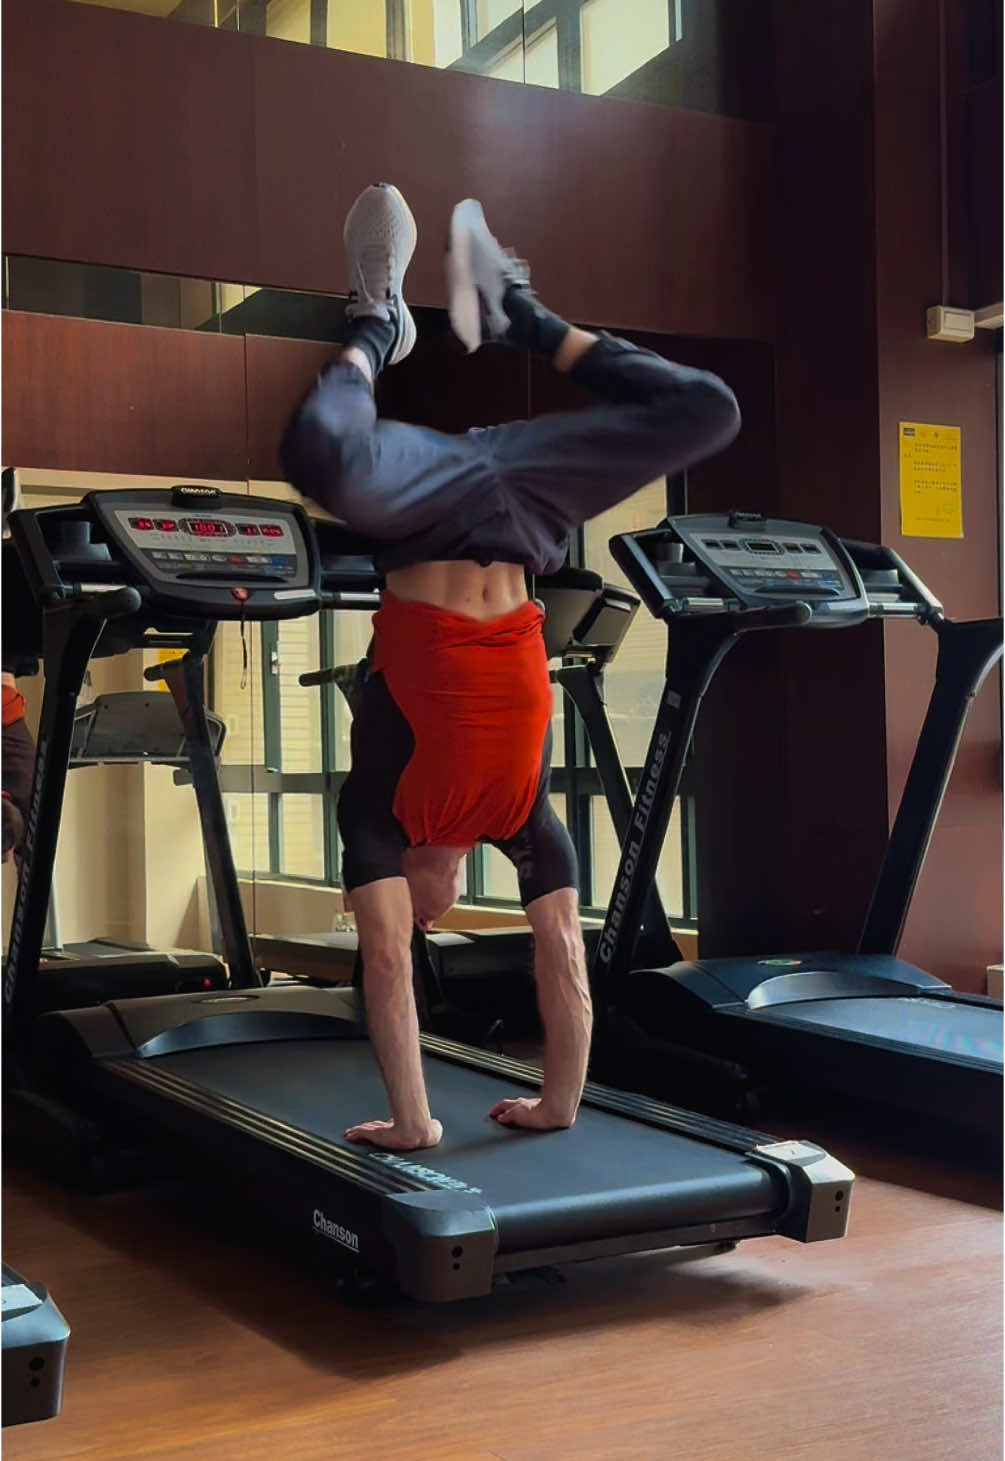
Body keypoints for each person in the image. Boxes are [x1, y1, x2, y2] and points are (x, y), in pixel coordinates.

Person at [281, 185, 740, 1151]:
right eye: (423, 920)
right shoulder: (524, 820)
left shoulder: (374, 816)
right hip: (526, 513)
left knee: (318, 448)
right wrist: (557, 1104)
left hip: (430, 509)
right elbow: (565, 964)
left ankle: (378, 323)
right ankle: (520, 318)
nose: (416, 922)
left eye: (409, 916)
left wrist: (414, 1121)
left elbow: (383, 965)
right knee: (706, 409)